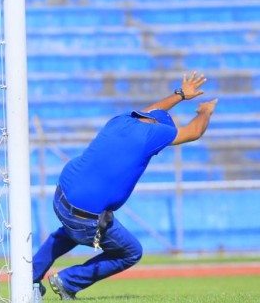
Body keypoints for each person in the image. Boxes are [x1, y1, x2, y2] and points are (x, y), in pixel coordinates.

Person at [32, 71, 218, 301]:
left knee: (67, 233)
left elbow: (150, 112)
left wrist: (179, 95)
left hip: (62, 197)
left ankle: (29, 277)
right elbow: (193, 132)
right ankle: (68, 281)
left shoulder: (122, 120)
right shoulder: (152, 135)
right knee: (131, 252)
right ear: (158, 129)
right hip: (84, 217)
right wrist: (205, 112)